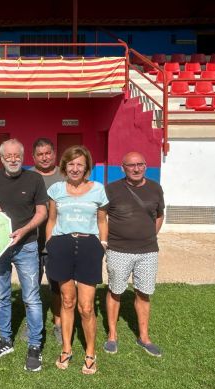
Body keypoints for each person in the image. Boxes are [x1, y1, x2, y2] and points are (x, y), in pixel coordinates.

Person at [0, 138, 48, 372]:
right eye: (8, 156)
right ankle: (5, 340)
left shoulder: (35, 179)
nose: (12, 159)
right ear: (1, 158)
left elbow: (42, 212)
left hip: (27, 245)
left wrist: (26, 230)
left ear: (23, 155)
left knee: (31, 297)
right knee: (1, 295)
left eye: (16, 155)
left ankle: (35, 345)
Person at [45, 145, 108, 375]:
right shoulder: (55, 190)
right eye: (70, 164)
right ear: (64, 167)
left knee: (87, 306)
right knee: (67, 301)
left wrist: (102, 245)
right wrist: (50, 243)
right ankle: (66, 348)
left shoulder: (98, 190)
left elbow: (102, 221)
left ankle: (90, 352)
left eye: (79, 164)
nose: (75, 168)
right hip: (61, 245)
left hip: (89, 247)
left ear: (87, 168)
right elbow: (51, 219)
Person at [103, 152, 165, 357]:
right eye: (131, 165)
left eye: (140, 164)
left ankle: (144, 337)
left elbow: (159, 215)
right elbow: (102, 216)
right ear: (123, 168)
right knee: (115, 291)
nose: (136, 169)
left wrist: (148, 236)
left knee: (144, 292)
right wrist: (105, 241)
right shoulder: (111, 189)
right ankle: (112, 336)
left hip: (147, 251)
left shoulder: (155, 188)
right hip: (118, 250)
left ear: (146, 166)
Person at [30, 137, 65, 345]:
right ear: (33, 157)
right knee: (31, 286)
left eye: (48, 153)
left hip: (58, 242)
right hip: (31, 243)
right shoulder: (26, 176)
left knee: (58, 286)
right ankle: (33, 323)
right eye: (40, 154)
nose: (44, 157)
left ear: (54, 154)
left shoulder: (65, 175)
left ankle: (59, 323)